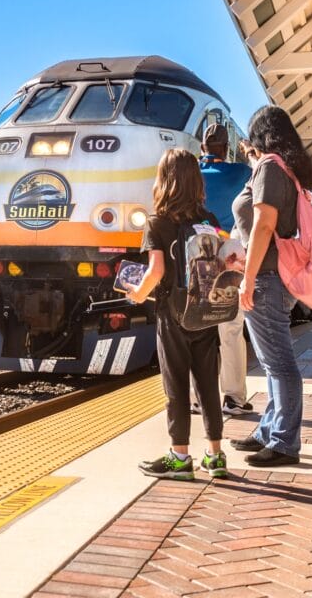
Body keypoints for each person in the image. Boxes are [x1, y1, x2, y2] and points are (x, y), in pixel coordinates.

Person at [126, 148, 227, 480]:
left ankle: (179, 457)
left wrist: (137, 293)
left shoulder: (157, 222)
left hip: (172, 315)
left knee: (176, 386)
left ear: (164, 180)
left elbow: (155, 271)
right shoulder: (209, 221)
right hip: (206, 312)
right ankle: (215, 455)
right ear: (196, 181)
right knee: (208, 384)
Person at [229, 106, 312, 467]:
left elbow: (265, 225)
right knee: (271, 363)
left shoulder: (269, 166)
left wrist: (247, 279)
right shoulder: (285, 168)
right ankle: (269, 429)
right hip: (273, 275)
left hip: (267, 278)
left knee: (279, 363)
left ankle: (284, 442)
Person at [196, 124, 254, 417]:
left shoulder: (192, 171)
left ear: (203, 146)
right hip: (230, 252)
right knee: (230, 328)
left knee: (198, 326)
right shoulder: (241, 173)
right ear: (226, 146)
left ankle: (198, 398)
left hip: (197, 252)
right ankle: (233, 398)